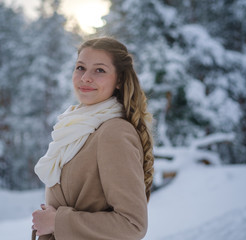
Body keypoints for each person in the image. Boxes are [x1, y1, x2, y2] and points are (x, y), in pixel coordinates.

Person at [31, 37, 154, 240]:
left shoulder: (114, 132)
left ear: (120, 80)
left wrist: (56, 222)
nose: (85, 78)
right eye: (80, 67)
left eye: (99, 70)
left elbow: (133, 225)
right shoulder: (76, 127)